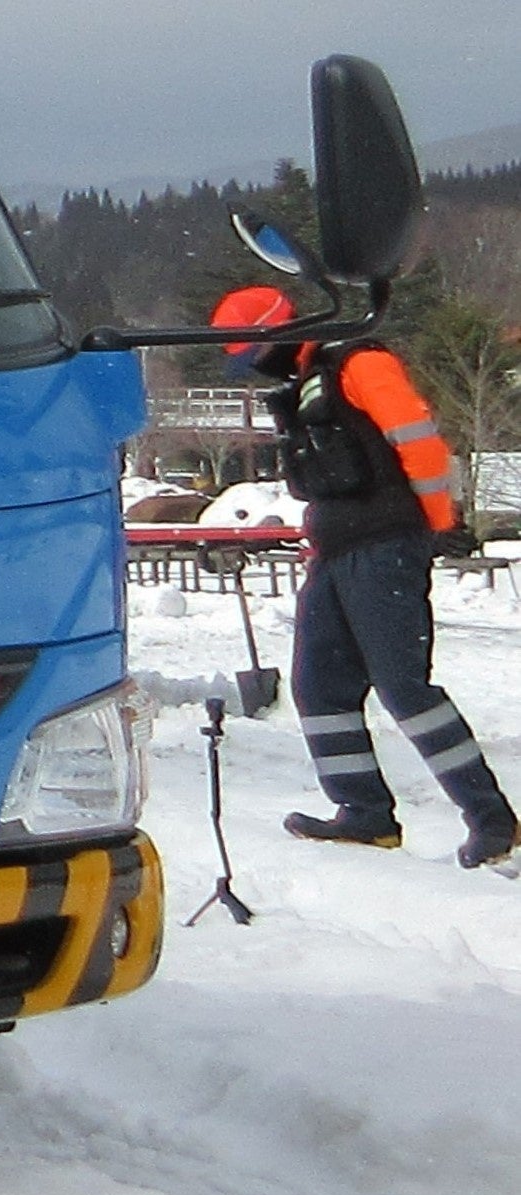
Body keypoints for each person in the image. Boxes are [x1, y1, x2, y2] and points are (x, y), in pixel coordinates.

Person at [213, 286, 513, 867]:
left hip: (386, 545)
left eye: (251, 353)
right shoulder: (302, 386)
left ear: (279, 333)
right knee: (319, 686)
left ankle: (492, 820)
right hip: (336, 550)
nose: (252, 367)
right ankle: (364, 814)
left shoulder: (358, 362)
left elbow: (419, 443)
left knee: (405, 689)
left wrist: (436, 523)